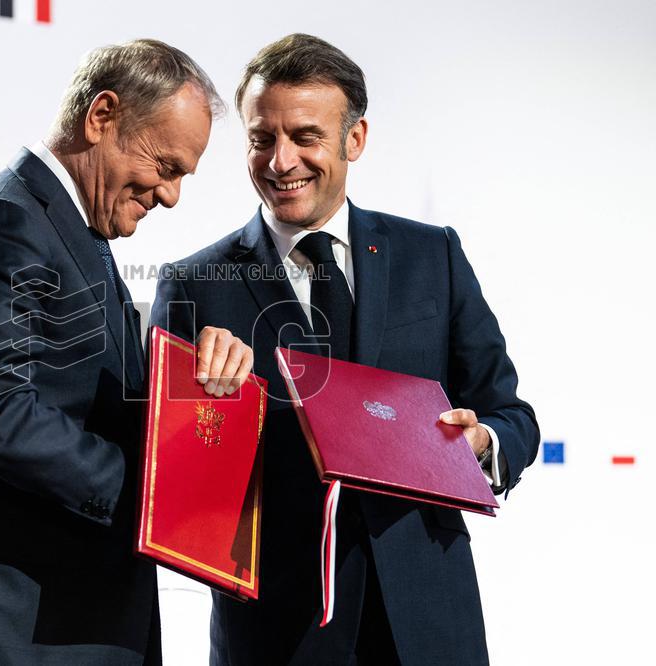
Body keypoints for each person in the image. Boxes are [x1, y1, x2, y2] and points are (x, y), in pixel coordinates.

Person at [0, 39, 254, 666]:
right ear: (102, 116)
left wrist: (199, 380)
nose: (174, 195)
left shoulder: (75, 235)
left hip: (62, 624)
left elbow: (89, 398)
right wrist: (154, 496)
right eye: (169, 166)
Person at [152, 33, 539, 666]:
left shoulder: (432, 256)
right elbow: (177, 480)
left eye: (305, 137)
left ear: (353, 140)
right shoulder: (194, 284)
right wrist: (208, 406)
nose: (281, 162)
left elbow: (512, 416)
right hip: (277, 631)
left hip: (428, 621)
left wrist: (480, 445)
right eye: (261, 138)